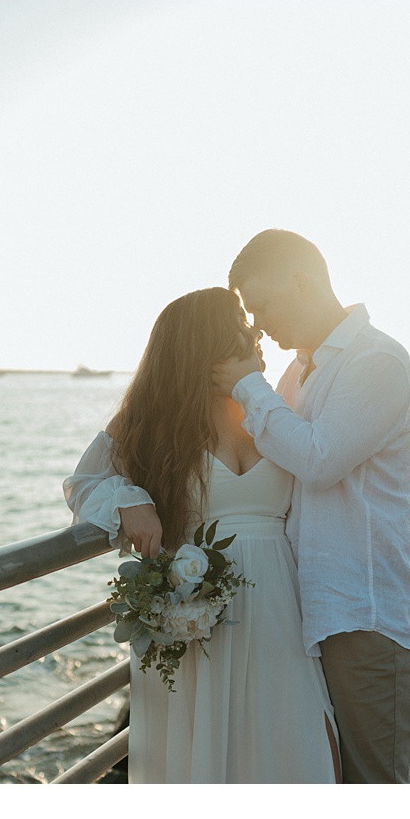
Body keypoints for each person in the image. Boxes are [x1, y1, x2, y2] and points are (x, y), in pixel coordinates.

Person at [63, 287, 340, 783]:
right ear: (205, 340)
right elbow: (83, 484)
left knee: (294, 743)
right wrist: (129, 498)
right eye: (241, 323)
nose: (256, 333)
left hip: (280, 608)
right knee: (201, 755)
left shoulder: (270, 407)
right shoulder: (150, 422)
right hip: (195, 620)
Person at [211, 229, 410, 783]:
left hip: (362, 618)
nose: (257, 324)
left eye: (261, 305)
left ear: (301, 281)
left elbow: (319, 458)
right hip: (301, 617)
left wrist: (247, 386)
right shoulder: (296, 372)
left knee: (371, 785)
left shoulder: (377, 360)